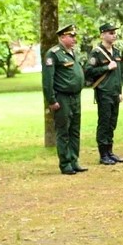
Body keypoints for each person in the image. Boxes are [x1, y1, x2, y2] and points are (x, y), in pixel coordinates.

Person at [42, 23, 87, 175]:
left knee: (75, 130)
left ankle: (74, 160)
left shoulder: (72, 52)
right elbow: (48, 80)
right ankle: (65, 163)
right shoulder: (53, 54)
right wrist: (52, 100)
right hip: (62, 98)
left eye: (75, 36)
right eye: (71, 36)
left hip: (75, 97)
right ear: (62, 37)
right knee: (63, 131)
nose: (75, 39)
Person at [85, 22, 123, 165]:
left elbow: (118, 74)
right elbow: (88, 71)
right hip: (103, 92)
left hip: (114, 92)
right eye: (110, 33)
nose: (113, 35)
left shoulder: (116, 52)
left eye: (114, 33)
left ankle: (110, 151)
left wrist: (120, 91)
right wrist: (106, 67)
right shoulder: (96, 52)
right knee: (104, 123)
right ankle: (103, 154)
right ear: (102, 35)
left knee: (112, 123)